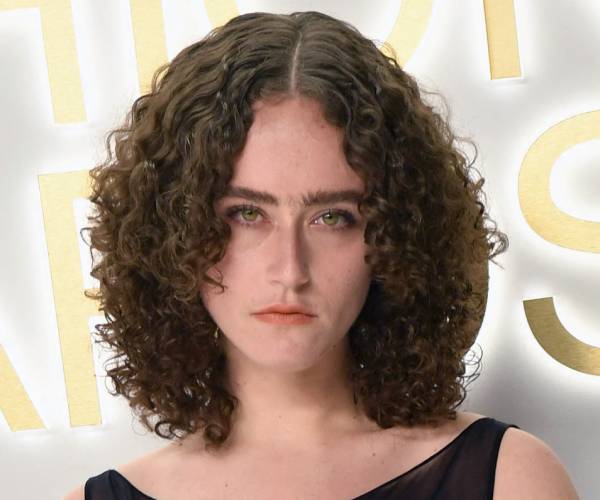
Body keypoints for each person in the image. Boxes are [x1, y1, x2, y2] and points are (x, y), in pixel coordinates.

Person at [65, 11, 578, 500]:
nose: (291, 270)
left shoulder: (509, 479)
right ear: (172, 232)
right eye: (247, 214)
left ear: (396, 238)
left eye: (332, 217)